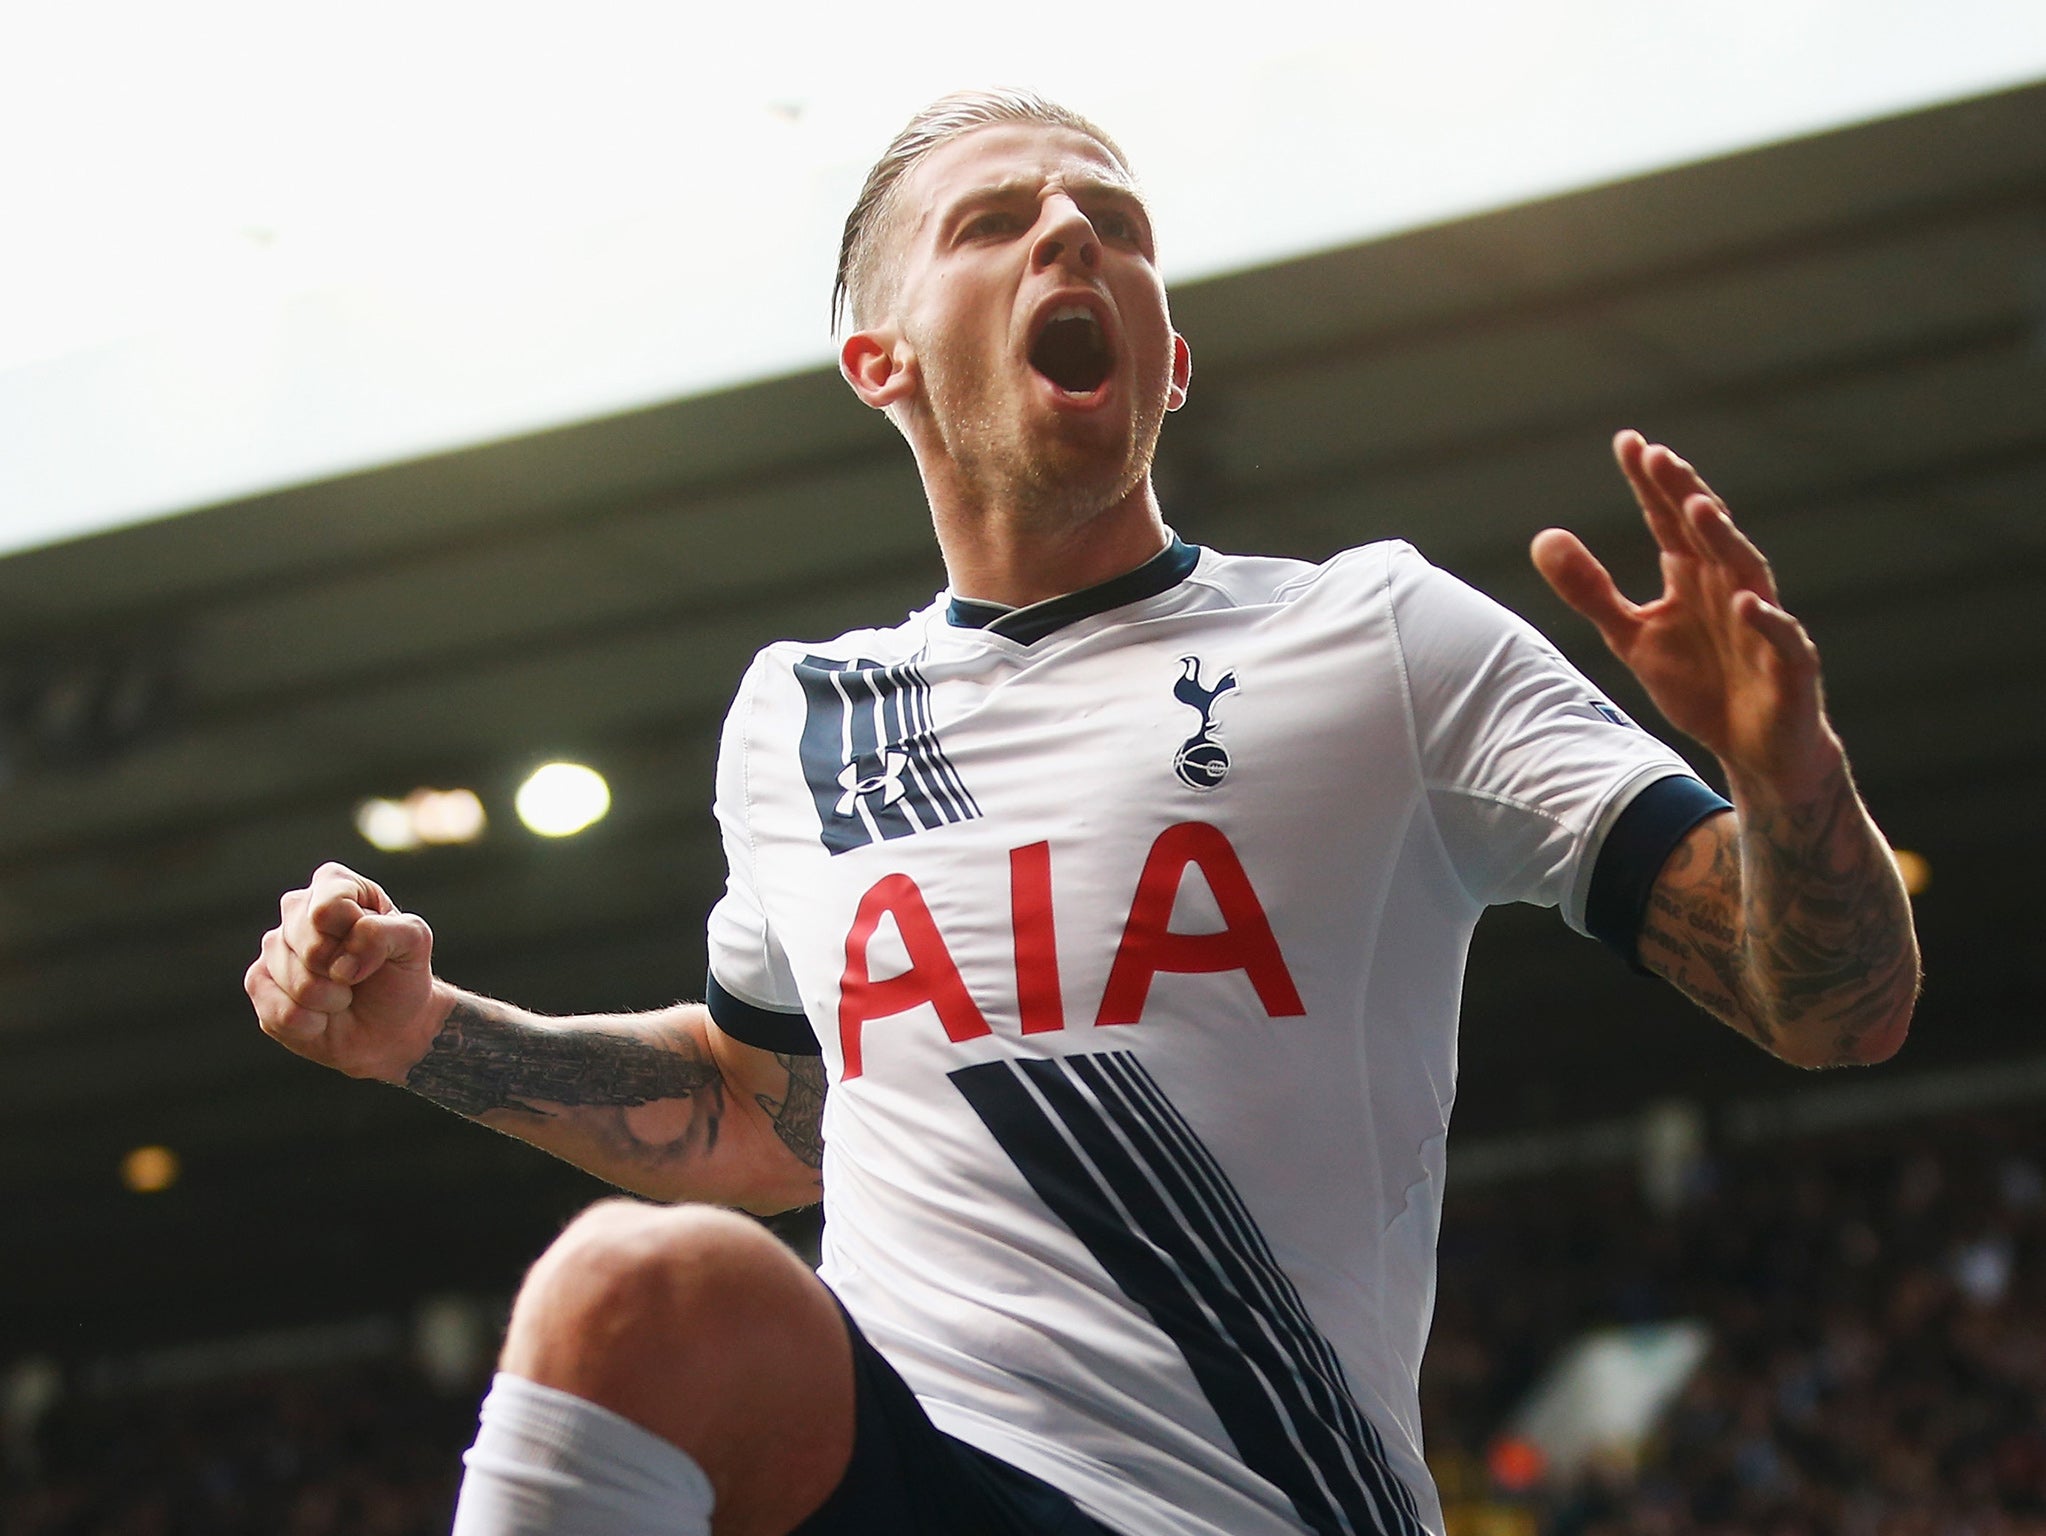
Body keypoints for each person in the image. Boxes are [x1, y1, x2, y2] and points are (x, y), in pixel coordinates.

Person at [245, 90, 1920, 1536]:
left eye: (1111, 219)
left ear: (1169, 361)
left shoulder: (1377, 641)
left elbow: (1831, 1011)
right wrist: (429, 1034)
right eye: (997, 220)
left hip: (1259, 1496)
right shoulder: (803, 721)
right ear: (876, 359)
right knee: (638, 1300)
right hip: (930, 1480)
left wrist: (1790, 781)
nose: (1069, 232)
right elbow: (774, 1120)